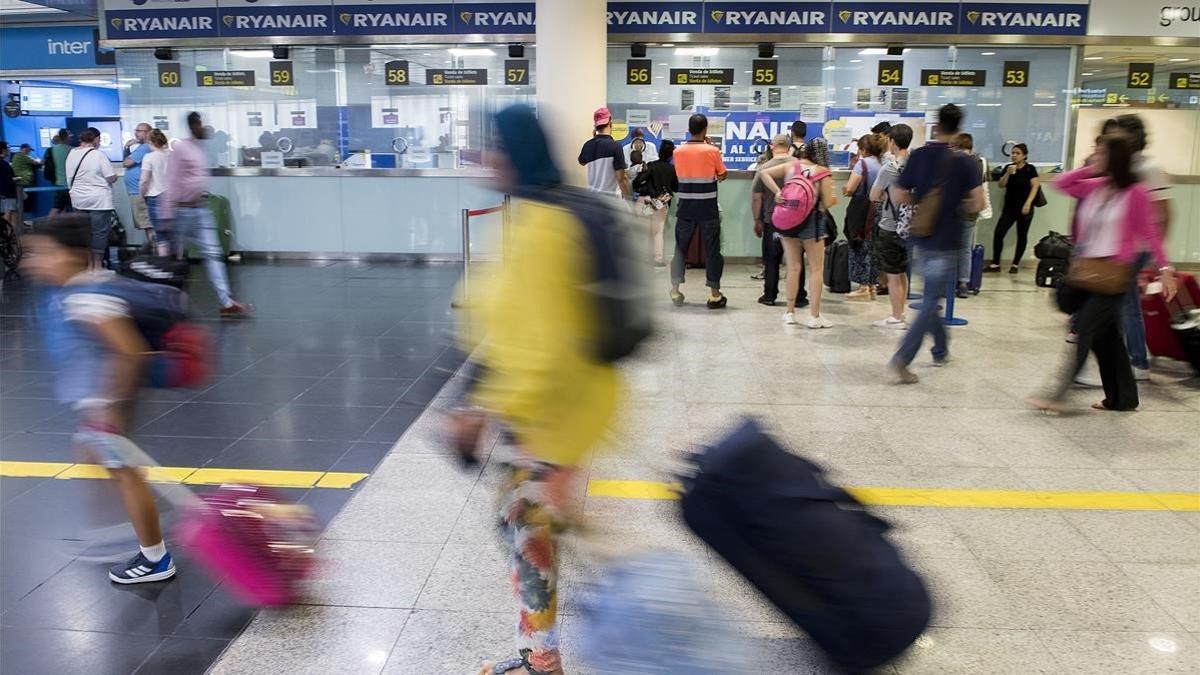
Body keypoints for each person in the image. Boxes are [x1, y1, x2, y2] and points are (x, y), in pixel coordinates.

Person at [449, 104, 623, 675]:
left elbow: (538, 343)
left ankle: (544, 656)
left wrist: (483, 409)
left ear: (518, 153)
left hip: (557, 411)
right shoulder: (549, 210)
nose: (486, 158)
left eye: (494, 146)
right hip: (572, 405)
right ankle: (544, 648)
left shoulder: (544, 224)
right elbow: (512, 320)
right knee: (532, 522)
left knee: (524, 524)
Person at [21, 216, 175, 584]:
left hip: (106, 402)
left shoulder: (87, 298)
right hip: (97, 401)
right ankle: (116, 532)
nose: (32, 263)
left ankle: (155, 556)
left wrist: (109, 408)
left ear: (73, 255)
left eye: (42, 254)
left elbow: (130, 352)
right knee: (95, 459)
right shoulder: (76, 289)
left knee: (125, 475)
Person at [1030, 132, 1176, 413]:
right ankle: (1123, 398)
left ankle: (1058, 394)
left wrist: (1165, 269)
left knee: (1084, 328)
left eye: (1101, 153)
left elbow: (1150, 233)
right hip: (1088, 270)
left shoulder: (1136, 193)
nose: (1094, 156)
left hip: (1113, 274)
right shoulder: (1097, 186)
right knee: (1105, 338)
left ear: (1115, 158)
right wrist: (1092, 167)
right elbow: (1063, 183)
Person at [887, 104, 984, 383]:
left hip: (921, 236)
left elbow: (900, 194)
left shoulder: (919, 156)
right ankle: (902, 359)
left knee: (931, 298)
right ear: (959, 127)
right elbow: (978, 203)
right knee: (931, 301)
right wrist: (953, 204)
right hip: (949, 239)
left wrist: (925, 202)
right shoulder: (966, 161)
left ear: (937, 125)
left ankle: (940, 348)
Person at [161, 112, 251, 317]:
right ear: (193, 125)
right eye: (201, 124)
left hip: (199, 209)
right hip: (181, 211)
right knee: (173, 258)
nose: (205, 129)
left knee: (213, 255)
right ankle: (166, 301)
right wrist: (167, 213)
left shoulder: (199, 149)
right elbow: (172, 179)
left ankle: (226, 301)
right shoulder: (181, 148)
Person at [1115, 114, 1173, 381]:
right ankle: (1132, 356)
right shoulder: (1124, 165)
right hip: (1122, 244)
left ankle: (1138, 360)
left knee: (1128, 303)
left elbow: (1164, 211)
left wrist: (1160, 260)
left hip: (1138, 246)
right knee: (1123, 301)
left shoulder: (1150, 167)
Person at [757, 138, 837, 328]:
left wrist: (778, 192)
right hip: (812, 223)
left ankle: (789, 312)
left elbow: (763, 173)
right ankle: (814, 317)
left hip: (788, 219)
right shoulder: (823, 172)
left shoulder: (792, 166)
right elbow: (826, 203)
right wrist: (834, 199)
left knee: (793, 267)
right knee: (816, 269)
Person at [670, 113, 728, 309]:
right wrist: (710, 147)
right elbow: (722, 175)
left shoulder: (678, 151)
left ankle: (675, 290)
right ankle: (714, 295)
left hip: (685, 208)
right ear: (705, 130)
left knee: (680, 249)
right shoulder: (712, 150)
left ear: (689, 128)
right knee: (712, 251)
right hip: (707, 208)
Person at [751, 133, 807, 308]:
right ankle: (799, 296)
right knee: (796, 259)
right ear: (789, 146)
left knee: (771, 258)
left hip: (772, 219)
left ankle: (769, 295)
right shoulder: (799, 166)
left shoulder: (764, 168)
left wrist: (757, 220)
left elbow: (756, 197)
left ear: (772, 146)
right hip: (797, 219)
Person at [869, 124, 914, 329]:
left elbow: (873, 195)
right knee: (902, 271)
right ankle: (901, 312)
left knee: (893, 275)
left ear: (892, 142)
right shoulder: (915, 164)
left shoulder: (890, 167)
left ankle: (896, 317)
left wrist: (887, 194)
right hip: (909, 226)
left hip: (890, 225)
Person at [65, 128, 118, 269]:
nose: (100, 142)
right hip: (99, 201)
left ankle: (88, 266)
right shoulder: (98, 155)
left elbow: (69, 177)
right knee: (99, 233)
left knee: (85, 234)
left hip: (78, 200)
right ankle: (98, 266)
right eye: (99, 139)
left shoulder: (71, 154)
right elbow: (110, 177)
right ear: (95, 139)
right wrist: (115, 176)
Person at [988, 142, 1040, 273]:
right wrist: (1007, 174)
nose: (1014, 156)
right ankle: (995, 263)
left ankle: (1015, 264)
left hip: (1025, 207)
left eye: (1018, 153)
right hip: (1009, 208)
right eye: (1013, 153)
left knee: (1022, 235)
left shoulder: (1030, 169)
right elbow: (1001, 185)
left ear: (1024, 156)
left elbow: (1035, 186)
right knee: (999, 233)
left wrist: (1028, 203)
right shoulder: (1008, 168)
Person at [844, 134, 885, 301]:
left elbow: (850, 188)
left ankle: (862, 287)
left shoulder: (862, 164)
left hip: (862, 210)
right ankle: (872, 285)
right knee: (873, 247)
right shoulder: (882, 164)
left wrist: (845, 190)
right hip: (879, 209)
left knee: (859, 243)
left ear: (863, 149)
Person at [951, 133, 991, 298]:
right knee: (966, 248)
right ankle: (963, 283)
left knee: (951, 248)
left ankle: (950, 282)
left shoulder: (954, 162)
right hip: (971, 210)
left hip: (954, 210)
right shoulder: (980, 162)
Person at [632, 139, 677, 266]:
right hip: (661, 201)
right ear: (671, 155)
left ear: (659, 152)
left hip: (645, 200)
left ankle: (641, 259)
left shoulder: (651, 165)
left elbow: (636, 183)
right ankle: (658, 259)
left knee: (644, 231)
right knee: (658, 232)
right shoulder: (671, 169)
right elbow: (676, 187)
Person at [578, 107, 630, 200]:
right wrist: (629, 199)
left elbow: (582, 162)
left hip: (592, 198)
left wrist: (594, 140)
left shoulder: (587, 145)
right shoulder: (615, 147)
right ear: (610, 123)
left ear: (595, 126)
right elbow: (621, 179)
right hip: (610, 200)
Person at [139, 129, 171, 250]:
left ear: (149, 141)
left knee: (161, 234)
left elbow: (144, 180)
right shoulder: (171, 155)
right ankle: (178, 263)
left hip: (155, 197)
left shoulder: (149, 157)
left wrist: (141, 194)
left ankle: (164, 263)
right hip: (172, 197)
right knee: (174, 233)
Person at [123, 122, 155, 236]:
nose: (136, 133)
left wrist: (127, 147)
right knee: (147, 225)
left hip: (139, 191)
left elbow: (127, 163)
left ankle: (156, 250)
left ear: (148, 133)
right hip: (137, 191)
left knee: (148, 225)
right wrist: (127, 148)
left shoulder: (145, 147)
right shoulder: (144, 147)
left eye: (139, 131)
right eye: (136, 130)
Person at [47, 129, 73, 216]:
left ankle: (50, 227)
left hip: (58, 183)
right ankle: (48, 226)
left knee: (58, 207)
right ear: (66, 137)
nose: (71, 137)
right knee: (64, 208)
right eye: (70, 135)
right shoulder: (72, 150)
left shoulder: (52, 150)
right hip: (70, 185)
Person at [0, 142, 17, 231]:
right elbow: (9, 179)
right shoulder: (5, 164)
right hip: (8, 193)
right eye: (8, 148)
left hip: (2, 194)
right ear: (3, 150)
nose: (9, 150)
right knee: (9, 213)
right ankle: (9, 236)